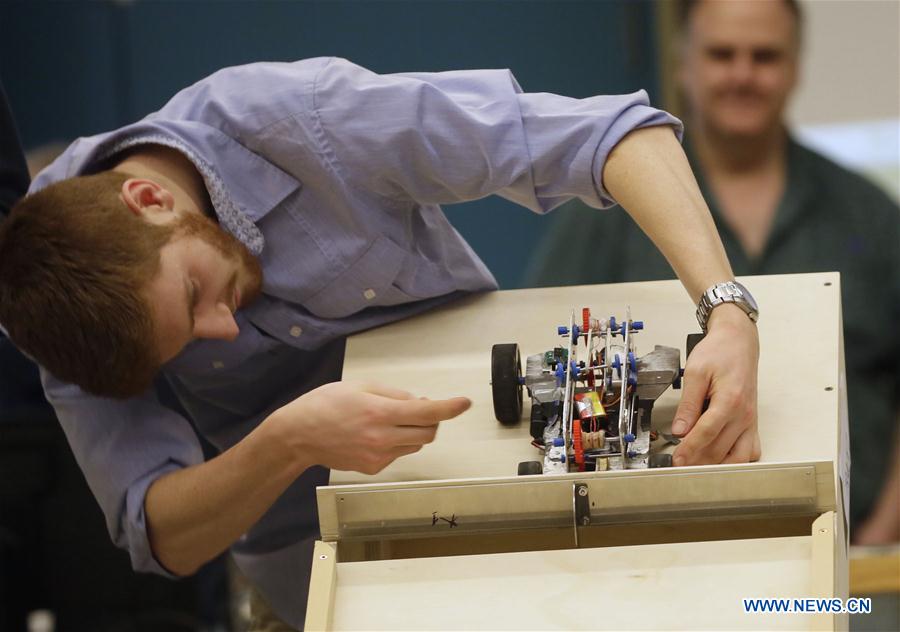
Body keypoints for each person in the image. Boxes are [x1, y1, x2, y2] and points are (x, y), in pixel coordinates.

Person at [0, 57, 760, 629]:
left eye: (196, 295)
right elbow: (158, 533)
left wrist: (725, 311)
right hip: (320, 582)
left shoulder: (301, 118)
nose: (220, 331)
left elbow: (614, 133)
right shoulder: (55, 305)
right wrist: (288, 442)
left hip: (508, 483)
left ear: (150, 200)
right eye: (187, 343)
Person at [528, 0, 900, 544]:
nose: (743, 74)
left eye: (765, 56)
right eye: (722, 54)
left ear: (796, 66)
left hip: (857, 570)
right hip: (666, 559)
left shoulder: (870, 216)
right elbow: (555, 366)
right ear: (683, 64)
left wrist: (878, 545)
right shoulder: (609, 219)